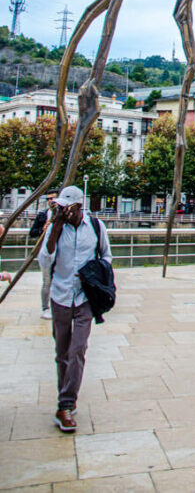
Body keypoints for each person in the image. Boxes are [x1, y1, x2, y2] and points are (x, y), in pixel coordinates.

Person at [38, 185, 112, 433]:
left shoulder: (96, 227)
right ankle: (66, 398)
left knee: (78, 349)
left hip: (84, 298)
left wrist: (95, 277)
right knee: (62, 352)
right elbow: (44, 261)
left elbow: (106, 257)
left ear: (80, 206)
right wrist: (55, 229)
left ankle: (66, 404)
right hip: (60, 295)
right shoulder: (56, 228)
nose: (64, 210)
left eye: (68, 206)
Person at [30, 191, 58, 319]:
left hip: (61, 252)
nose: (50, 200)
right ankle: (46, 308)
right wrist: (43, 229)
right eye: (48, 198)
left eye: (52, 198)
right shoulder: (42, 215)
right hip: (46, 253)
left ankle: (58, 306)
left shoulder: (64, 215)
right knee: (47, 281)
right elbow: (32, 232)